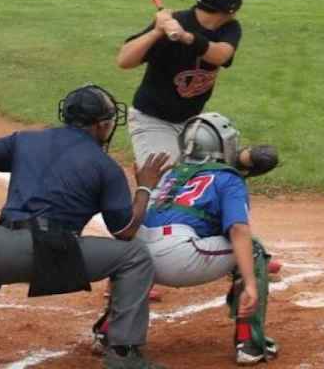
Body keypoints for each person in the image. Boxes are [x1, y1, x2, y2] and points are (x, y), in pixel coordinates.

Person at [0, 85, 171, 369]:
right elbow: (124, 231)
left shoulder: (23, 140)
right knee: (135, 256)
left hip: (0, 244)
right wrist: (145, 187)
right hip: (48, 252)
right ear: (101, 125)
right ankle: (124, 355)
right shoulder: (105, 166)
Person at [91, 113, 280, 365]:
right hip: (180, 256)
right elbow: (237, 230)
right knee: (252, 249)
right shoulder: (228, 178)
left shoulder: (171, 173)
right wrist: (251, 284)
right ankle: (249, 343)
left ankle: (109, 331)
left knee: (137, 243)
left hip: (137, 258)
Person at [117, 0, 257, 166]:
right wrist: (156, 31)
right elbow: (124, 60)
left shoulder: (230, 28)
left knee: (203, 177)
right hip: (152, 119)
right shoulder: (174, 22)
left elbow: (221, 55)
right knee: (164, 181)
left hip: (192, 123)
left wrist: (186, 37)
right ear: (232, 3)